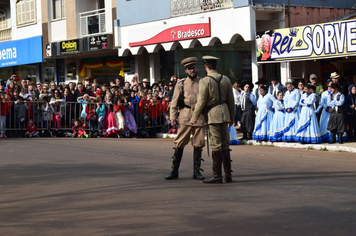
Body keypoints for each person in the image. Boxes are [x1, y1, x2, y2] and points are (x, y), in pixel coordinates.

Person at [190, 55, 234, 184]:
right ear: (216, 66)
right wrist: (231, 116)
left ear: (205, 66)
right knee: (225, 144)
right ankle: (228, 175)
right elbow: (231, 101)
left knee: (216, 145)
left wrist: (194, 117)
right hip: (224, 114)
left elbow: (201, 101)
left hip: (213, 115)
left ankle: (217, 175)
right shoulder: (226, 79)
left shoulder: (205, 81)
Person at [165, 57, 206, 181]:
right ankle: (174, 171)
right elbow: (174, 102)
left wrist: (200, 104)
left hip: (199, 117)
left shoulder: (203, 82)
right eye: (189, 69)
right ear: (186, 71)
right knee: (180, 143)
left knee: (198, 144)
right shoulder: (181, 84)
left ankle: (196, 171)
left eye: (193, 68)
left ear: (196, 68)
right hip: (185, 116)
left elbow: (208, 99)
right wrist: (172, 117)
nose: (192, 70)